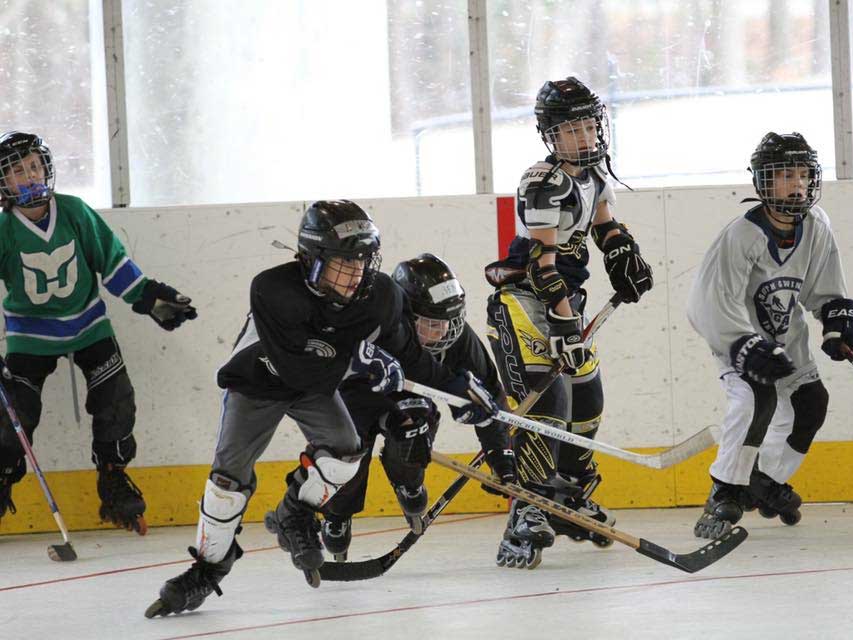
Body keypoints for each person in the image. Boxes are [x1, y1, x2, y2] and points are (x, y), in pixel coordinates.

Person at [146, 200, 499, 617]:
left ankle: (295, 511)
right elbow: (294, 367)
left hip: (316, 383)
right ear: (311, 258)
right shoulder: (272, 289)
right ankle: (208, 569)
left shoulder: (380, 294)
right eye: (344, 263)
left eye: (364, 261)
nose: (356, 274)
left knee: (345, 452)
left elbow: (410, 355)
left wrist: (459, 390)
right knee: (227, 484)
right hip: (258, 379)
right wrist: (360, 361)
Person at [483, 77, 653, 569]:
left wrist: (624, 253)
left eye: (588, 124)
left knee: (587, 398)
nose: (583, 135)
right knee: (548, 402)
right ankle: (527, 509)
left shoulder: (595, 173)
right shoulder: (543, 181)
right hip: (527, 304)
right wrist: (562, 324)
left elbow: (603, 224)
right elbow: (542, 260)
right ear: (550, 136)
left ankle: (570, 493)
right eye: (570, 128)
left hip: (565, 303)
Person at [0, 131, 196, 534]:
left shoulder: (74, 212)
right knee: (12, 413)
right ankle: (2, 477)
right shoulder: (3, 230)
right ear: (3, 183)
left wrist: (149, 298)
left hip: (88, 324)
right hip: (30, 334)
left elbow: (112, 261)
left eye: (35, 165)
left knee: (116, 399)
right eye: (18, 170)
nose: (30, 175)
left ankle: (113, 474)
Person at [687, 132, 853, 539]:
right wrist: (742, 344)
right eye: (785, 175)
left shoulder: (817, 225)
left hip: (788, 336)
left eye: (803, 174)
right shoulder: (741, 235)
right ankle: (725, 489)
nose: (797, 184)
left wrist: (836, 318)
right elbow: (706, 304)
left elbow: (823, 286)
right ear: (763, 181)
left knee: (811, 403)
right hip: (739, 340)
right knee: (755, 398)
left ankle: (763, 480)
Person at [320, 253, 517, 561]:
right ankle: (338, 512)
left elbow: (488, 393)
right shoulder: (373, 323)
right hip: (355, 396)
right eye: (432, 324)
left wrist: (500, 453)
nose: (444, 334)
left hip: (407, 397)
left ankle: (408, 482)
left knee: (417, 429)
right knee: (349, 450)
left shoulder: (456, 339)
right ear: (404, 315)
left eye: (450, 322)